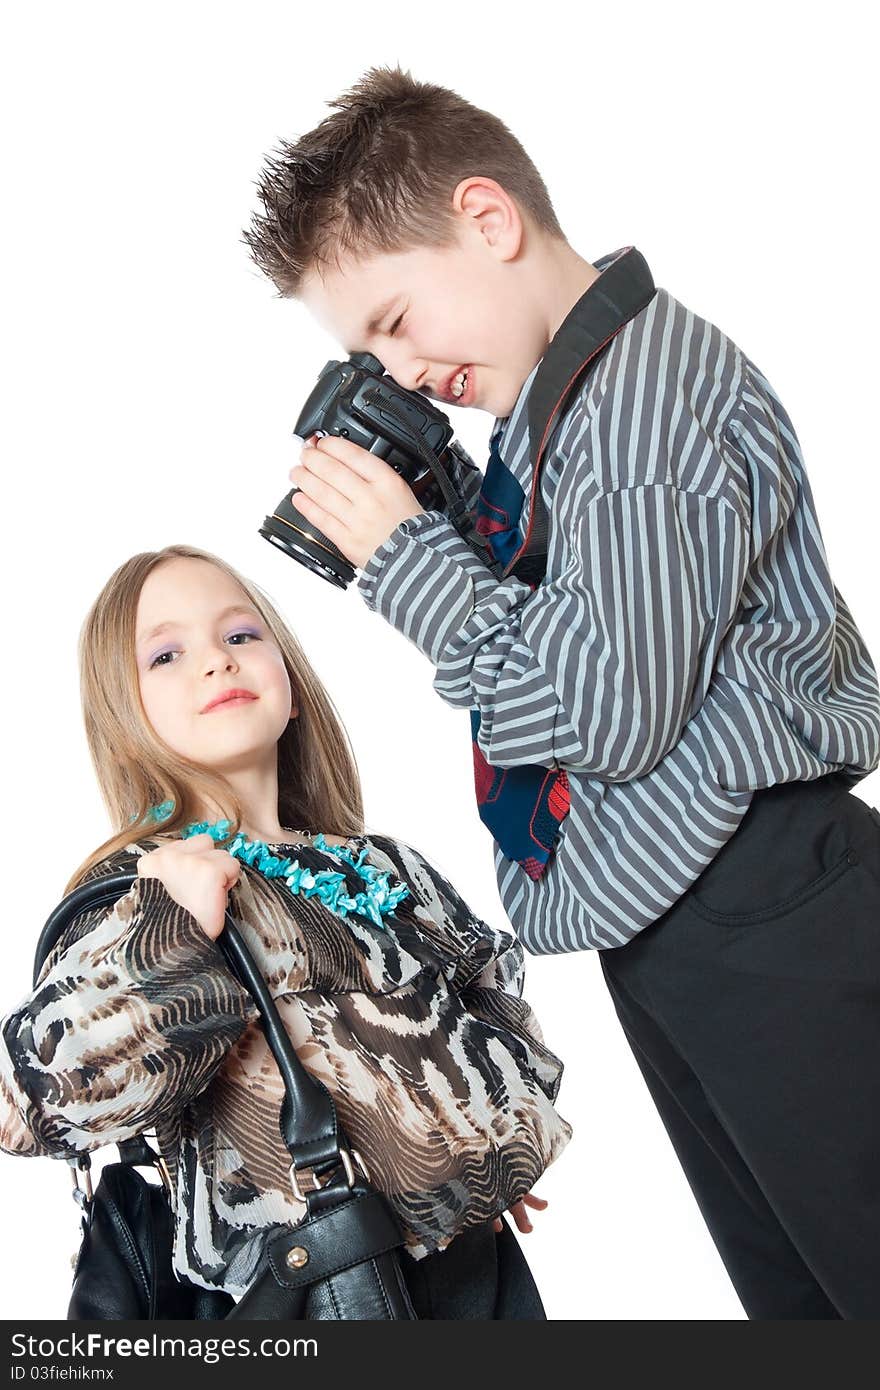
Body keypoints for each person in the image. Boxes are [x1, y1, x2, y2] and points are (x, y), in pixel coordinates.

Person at [243, 66, 880, 1319]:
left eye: (394, 318)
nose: (401, 366)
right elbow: (580, 659)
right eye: (365, 350)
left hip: (764, 898)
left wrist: (410, 561)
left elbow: (607, 713)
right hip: (684, 921)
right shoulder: (552, 426)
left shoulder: (643, 401)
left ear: (487, 220)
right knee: (804, 1300)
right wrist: (450, 537)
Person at [0, 543, 571, 1319]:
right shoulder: (147, 885)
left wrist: (497, 1144)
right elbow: (36, 1100)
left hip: (475, 1272)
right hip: (307, 1285)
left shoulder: (384, 867)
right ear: (124, 717)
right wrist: (170, 930)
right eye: (166, 654)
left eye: (240, 636)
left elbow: (488, 990)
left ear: (292, 687)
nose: (215, 662)